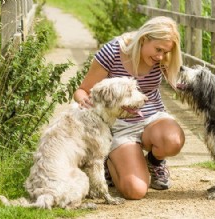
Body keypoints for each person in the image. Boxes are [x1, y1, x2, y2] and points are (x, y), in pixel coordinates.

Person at [73, 16, 185, 200]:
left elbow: (182, 84)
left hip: (152, 117)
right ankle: (110, 160)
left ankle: (155, 162)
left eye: (165, 52)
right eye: (158, 49)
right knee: (135, 191)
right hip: (120, 127)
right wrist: (84, 103)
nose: (160, 56)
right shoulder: (113, 51)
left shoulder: (162, 58)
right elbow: (82, 90)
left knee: (173, 140)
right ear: (143, 39)